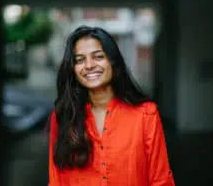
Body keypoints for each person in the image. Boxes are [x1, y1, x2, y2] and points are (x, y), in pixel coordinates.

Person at [48, 25, 175, 186]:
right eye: (80, 60)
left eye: (98, 56)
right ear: (73, 69)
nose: (89, 65)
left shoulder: (146, 114)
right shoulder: (63, 116)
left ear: (113, 62)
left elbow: (161, 179)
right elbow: (56, 180)